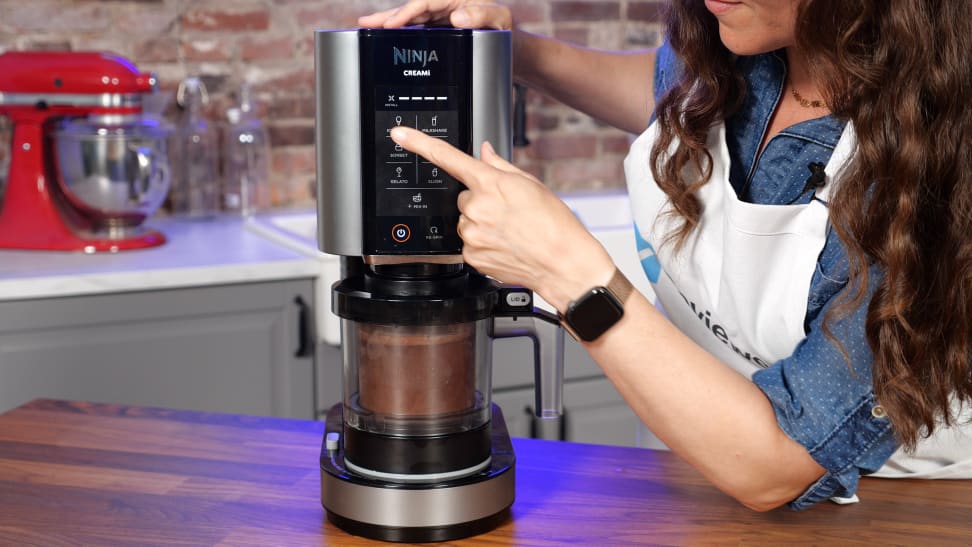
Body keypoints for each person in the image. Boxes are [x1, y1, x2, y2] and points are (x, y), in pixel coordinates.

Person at [359, 1, 972, 511]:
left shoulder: (940, 162)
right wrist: (514, 48)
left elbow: (778, 466)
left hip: (887, 508)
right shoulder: (745, 41)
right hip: (693, 483)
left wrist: (570, 272)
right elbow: (664, 92)